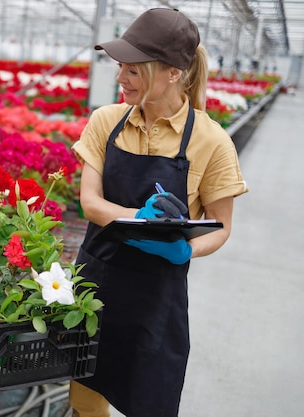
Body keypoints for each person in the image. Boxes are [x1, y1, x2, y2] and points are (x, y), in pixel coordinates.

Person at [69, 8, 248, 417]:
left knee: (150, 398)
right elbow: (91, 204)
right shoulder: (105, 121)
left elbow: (220, 228)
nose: (120, 79)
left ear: (172, 73)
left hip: (155, 300)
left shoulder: (211, 141)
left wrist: (187, 250)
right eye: (120, 68)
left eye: (133, 71)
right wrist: (142, 217)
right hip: (94, 286)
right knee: (85, 402)